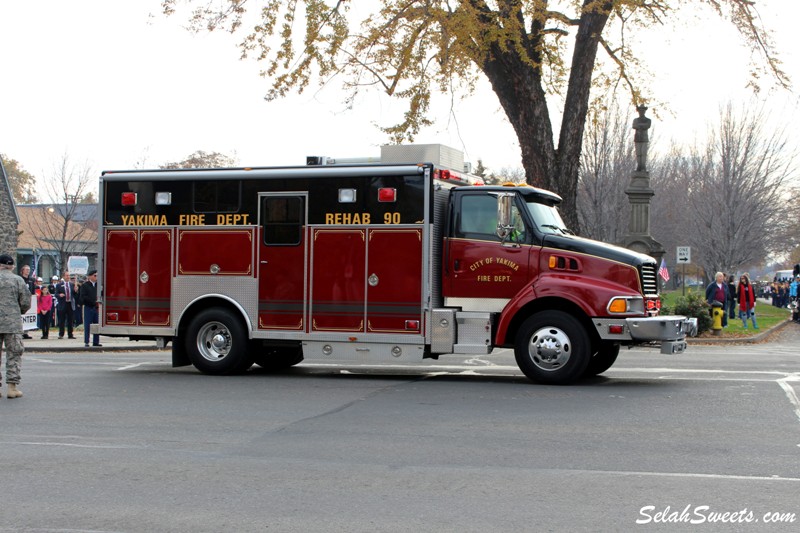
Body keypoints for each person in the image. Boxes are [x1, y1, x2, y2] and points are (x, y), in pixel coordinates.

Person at [0, 253, 32, 399]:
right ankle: (12, 387)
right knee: (14, 353)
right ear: (11, 266)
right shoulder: (18, 280)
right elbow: (26, 301)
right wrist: (19, 310)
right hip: (12, 322)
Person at [78, 269, 101, 347]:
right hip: (88, 307)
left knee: (96, 324)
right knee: (87, 325)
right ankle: (87, 341)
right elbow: (83, 297)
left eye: (97, 276)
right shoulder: (85, 285)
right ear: (90, 276)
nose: (96, 277)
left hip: (97, 308)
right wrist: (92, 302)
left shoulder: (98, 285)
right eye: (95, 276)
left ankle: (96, 341)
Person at [55, 270, 78, 339]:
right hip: (62, 304)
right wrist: (59, 295)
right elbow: (56, 294)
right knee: (62, 320)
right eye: (67, 275)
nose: (68, 277)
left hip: (70, 304)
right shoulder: (59, 285)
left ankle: (70, 334)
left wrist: (76, 291)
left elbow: (74, 295)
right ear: (63, 276)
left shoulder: (72, 284)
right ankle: (61, 334)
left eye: (69, 275)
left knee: (70, 320)